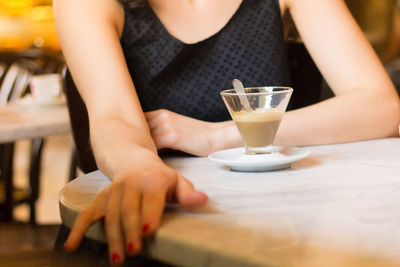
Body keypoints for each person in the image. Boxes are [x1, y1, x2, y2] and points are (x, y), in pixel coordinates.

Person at [53, 0, 400, 265]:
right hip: (154, 217)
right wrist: (139, 166)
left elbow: (380, 105)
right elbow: (114, 117)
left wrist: (218, 135)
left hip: (276, 223)